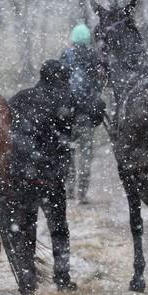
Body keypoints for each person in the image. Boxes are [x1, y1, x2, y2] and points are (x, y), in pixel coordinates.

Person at [5, 59, 100, 293]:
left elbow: (6, 130)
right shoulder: (67, 100)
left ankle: (27, 281)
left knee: (26, 228)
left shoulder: (19, 99)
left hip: (23, 176)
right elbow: (96, 114)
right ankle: (62, 277)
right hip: (52, 176)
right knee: (58, 227)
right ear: (61, 79)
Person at [61, 23, 103, 203]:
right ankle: (82, 193)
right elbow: (99, 84)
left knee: (68, 153)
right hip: (86, 115)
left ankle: (69, 190)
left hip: (66, 114)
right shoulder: (94, 57)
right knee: (85, 155)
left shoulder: (65, 56)